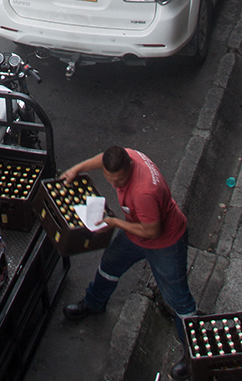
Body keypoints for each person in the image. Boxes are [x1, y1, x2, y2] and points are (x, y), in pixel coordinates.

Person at [60, 146, 197, 381]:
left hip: (165, 243)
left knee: (178, 298)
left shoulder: (144, 191)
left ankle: (192, 353)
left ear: (130, 168)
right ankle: (94, 303)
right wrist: (76, 169)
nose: (115, 185)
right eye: (109, 178)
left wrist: (115, 223)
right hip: (137, 233)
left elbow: (152, 231)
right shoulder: (126, 155)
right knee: (110, 263)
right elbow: (100, 159)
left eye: (120, 179)